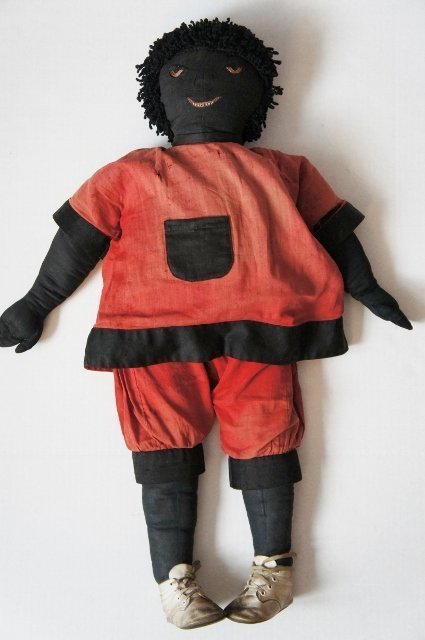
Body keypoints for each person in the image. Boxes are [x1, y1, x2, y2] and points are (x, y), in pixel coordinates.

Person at [0, 17, 412, 629]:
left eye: (229, 73)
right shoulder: (129, 173)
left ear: (257, 91)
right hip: (157, 336)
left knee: (265, 437)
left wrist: (369, 287)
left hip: (257, 333)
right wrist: (36, 302)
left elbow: (333, 230)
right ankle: (175, 582)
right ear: (159, 93)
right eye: (181, 75)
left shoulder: (285, 169)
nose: (201, 84)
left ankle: (274, 571)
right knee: (165, 448)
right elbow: (78, 240)